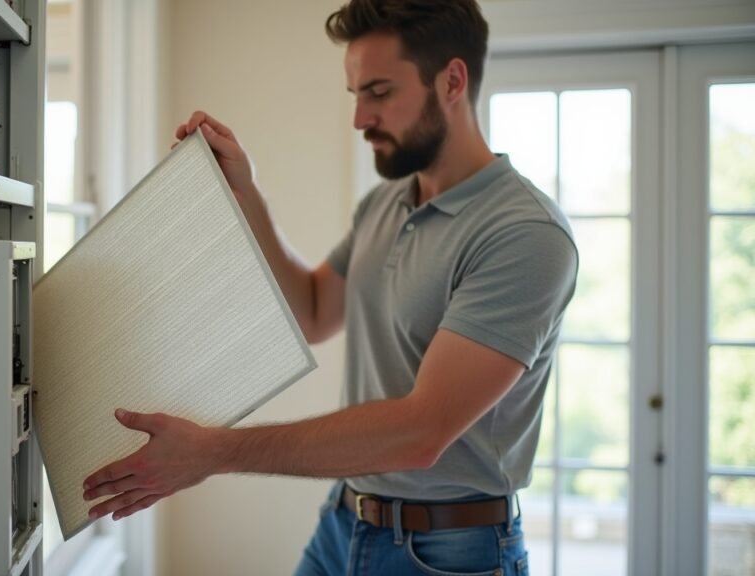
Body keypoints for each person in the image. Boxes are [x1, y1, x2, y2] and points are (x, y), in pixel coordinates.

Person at [82, 0, 578, 573]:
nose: (360, 118)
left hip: (448, 553)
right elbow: (315, 311)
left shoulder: (524, 233)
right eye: (355, 95)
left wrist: (211, 452)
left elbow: (420, 433)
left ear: (452, 81)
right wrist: (246, 196)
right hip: (345, 522)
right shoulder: (385, 203)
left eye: (379, 92)